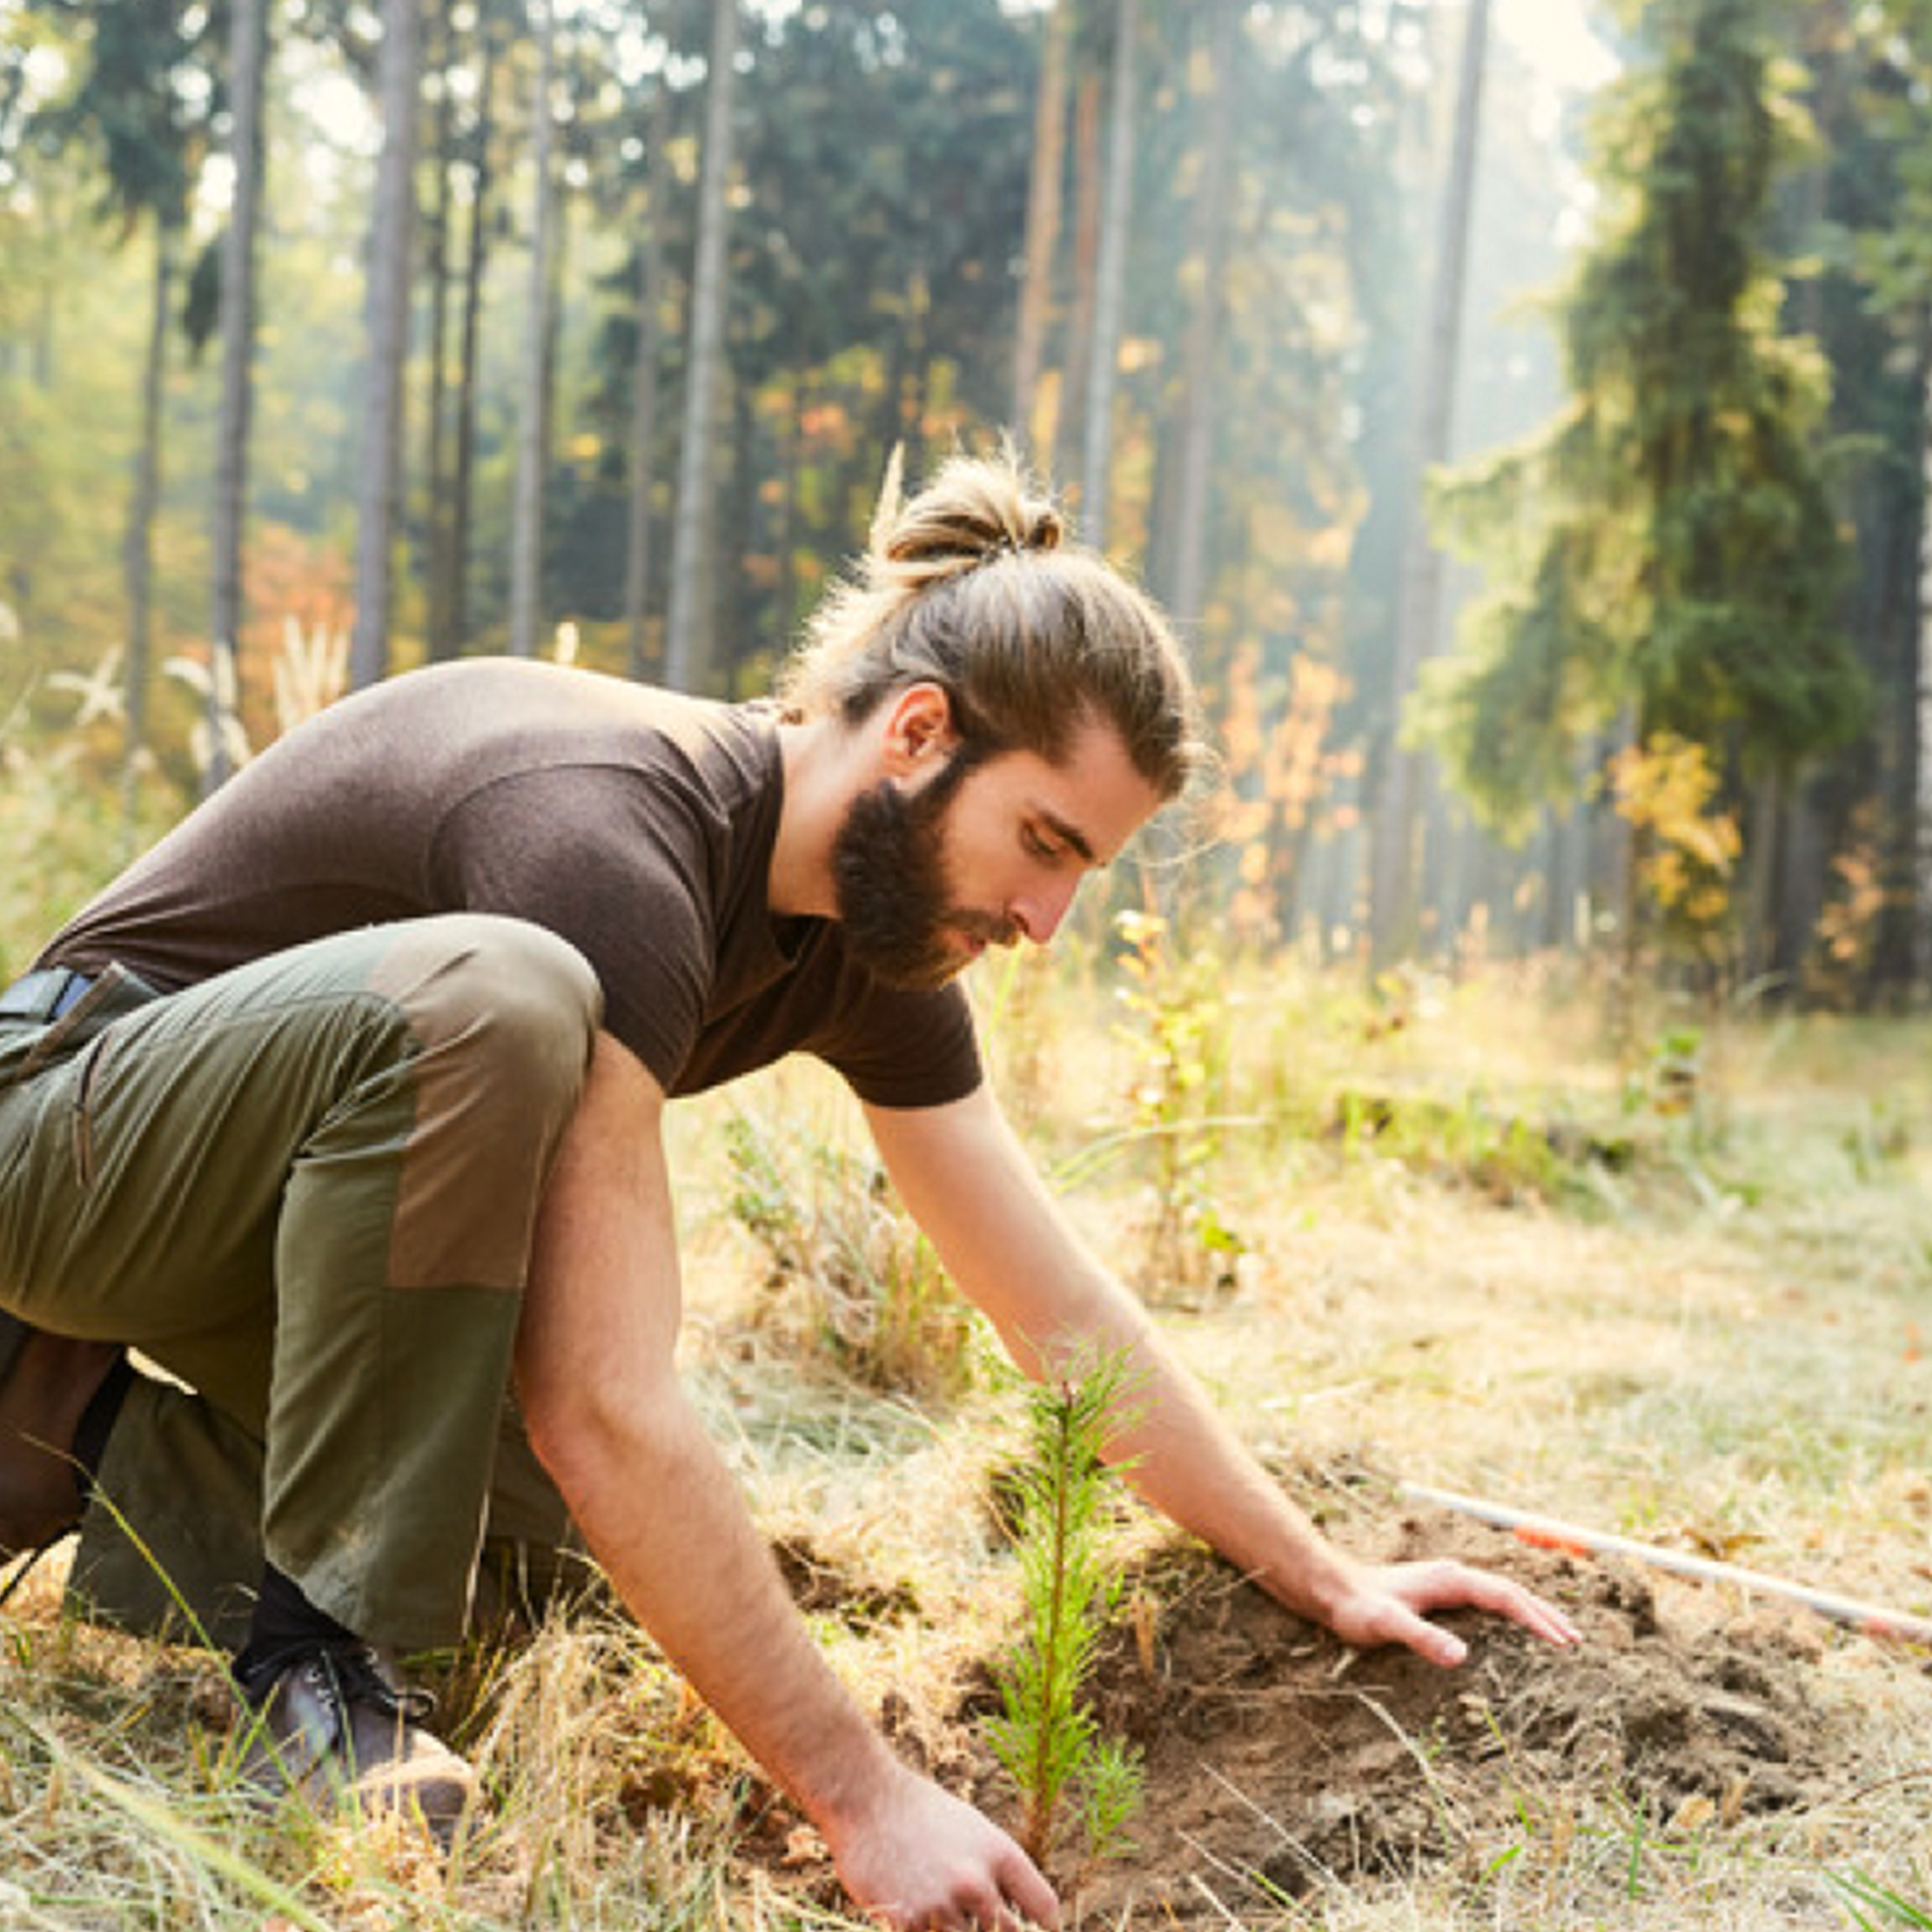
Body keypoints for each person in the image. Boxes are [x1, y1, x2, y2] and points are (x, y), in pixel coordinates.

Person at [0, 452, 1577, 1931]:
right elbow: (601, 1400)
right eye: (1041, 841)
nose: (1044, 917)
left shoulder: (875, 945)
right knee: (502, 996)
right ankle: (321, 1673)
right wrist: (864, 1800)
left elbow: (1056, 1304)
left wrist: (1320, 1571)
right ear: (915, 733)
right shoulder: (608, 837)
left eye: (1082, 871)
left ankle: (54, 1434)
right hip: (56, 1137)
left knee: (555, 1567)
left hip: (260, 1226)